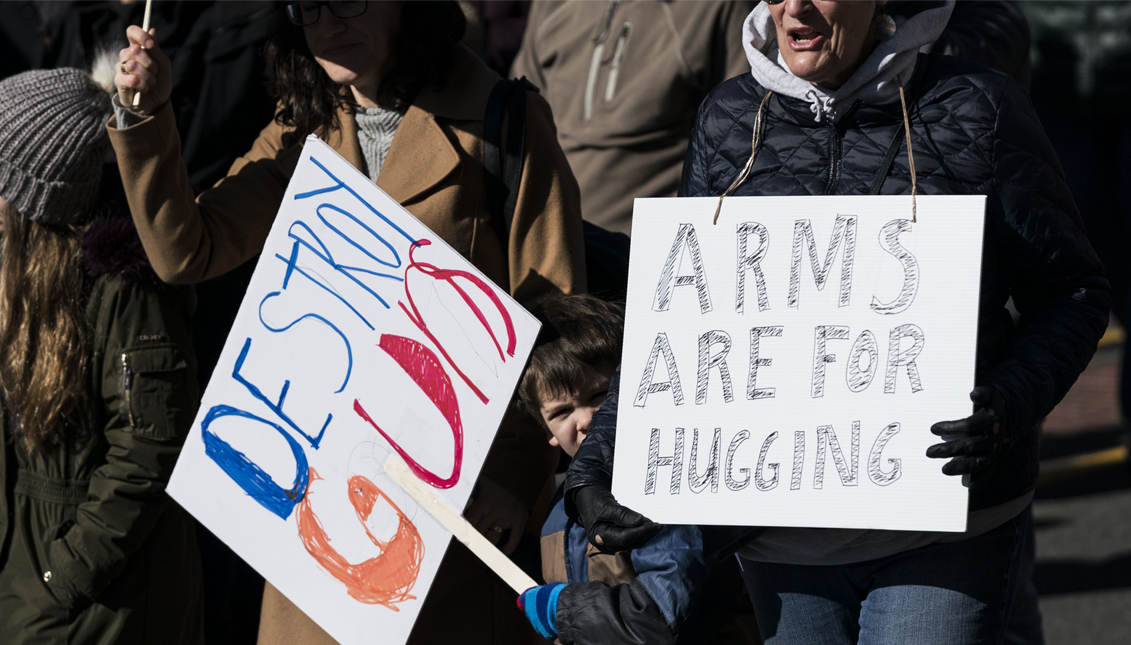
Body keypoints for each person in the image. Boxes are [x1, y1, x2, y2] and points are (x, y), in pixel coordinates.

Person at [565, 1, 1111, 643]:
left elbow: (1072, 289)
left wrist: (1012, 404)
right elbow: (684, 327)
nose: (794, 5)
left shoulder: (975, 104)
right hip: (778, 543)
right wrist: (595, 467)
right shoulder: (728, 119)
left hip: (943, 531)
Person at [110, 2, 585, 644]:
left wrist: (516, 476)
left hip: (449, 523)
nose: (328, 22)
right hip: (318, 532)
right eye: (308, 6)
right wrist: (146, 115)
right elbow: (185, 249)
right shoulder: (303, 124)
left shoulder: (504, 118)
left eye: (350, 0)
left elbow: (554, 312)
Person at [0, 68, 203, 644]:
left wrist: (64, 576)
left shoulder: (123, 288)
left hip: (97, 603)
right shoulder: (14, 276)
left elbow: (149, 449)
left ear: (32, 193)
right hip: (30, 581)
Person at [514, 294, 759, 644]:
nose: (585, 420)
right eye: (561, 412)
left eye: (598, 395)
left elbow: (658, 619)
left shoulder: (666, 485)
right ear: (547, 432)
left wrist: (561, 608)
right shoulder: (559, 511)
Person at [511, 0, 756, 235]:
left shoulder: (717, 8)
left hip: (646, 249)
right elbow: (519, 120)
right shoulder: (552, 6)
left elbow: (740, 142)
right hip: (549, 237)